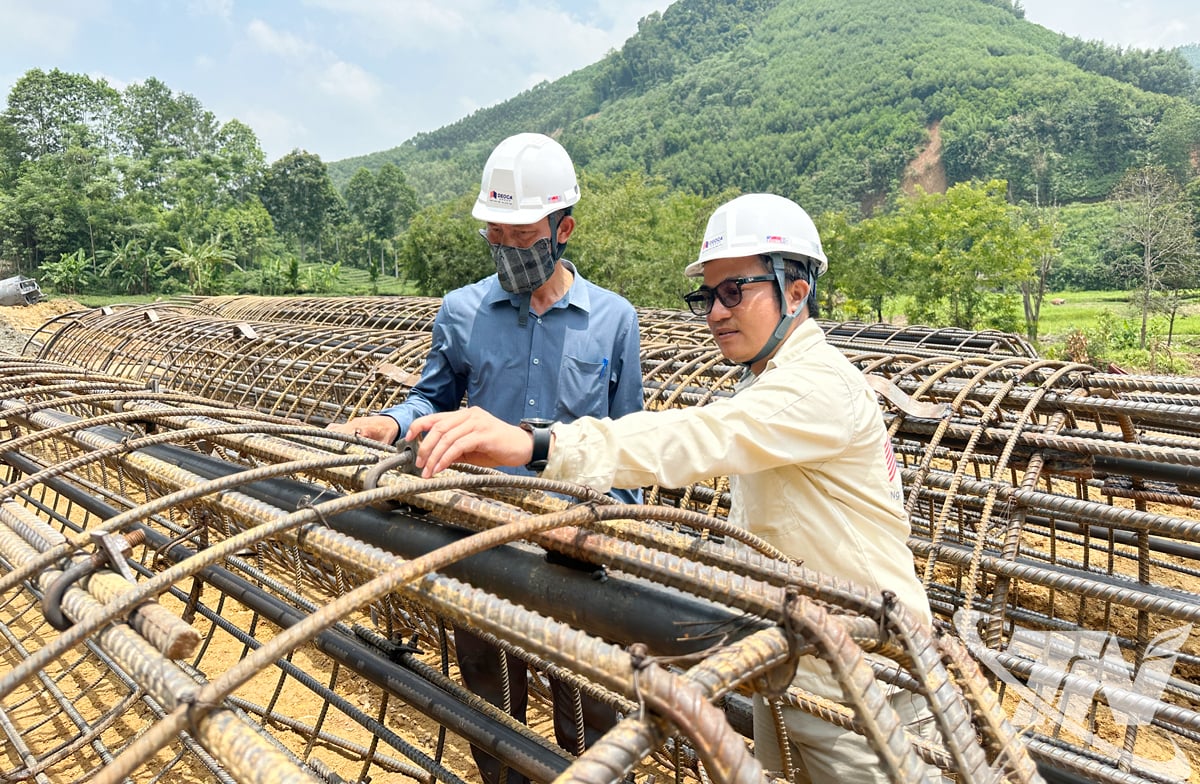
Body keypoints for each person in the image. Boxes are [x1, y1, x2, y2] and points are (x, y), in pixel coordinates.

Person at [403, 193, 939, 783]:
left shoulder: (815, 389)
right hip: (796, 664)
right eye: (707, 296)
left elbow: (689, 436)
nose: (715, 312)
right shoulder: (771, 386)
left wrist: (537, 445)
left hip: (862, 684)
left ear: (796, 290)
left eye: (735, 291)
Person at [328, 132, 642, 784]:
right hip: (476, 535)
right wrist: (391, 421)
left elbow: (629, 445)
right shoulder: (462, 311)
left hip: (572, 549)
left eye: (522, 236)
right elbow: (431, 399)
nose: (507, 250)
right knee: (489, 705)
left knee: (587, 718)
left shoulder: (613, 321)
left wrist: (619, 539)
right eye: (495, 235)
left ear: (564, 229)